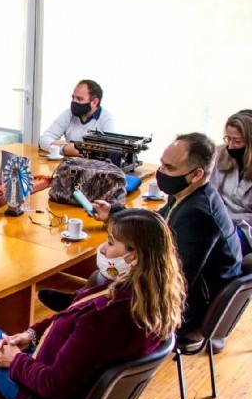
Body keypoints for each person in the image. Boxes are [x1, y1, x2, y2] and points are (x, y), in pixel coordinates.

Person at [0, 209, 185, 399]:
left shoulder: (106, 318)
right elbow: (72, 313)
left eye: (111, 243)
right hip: (76, 389)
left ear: (134, 257)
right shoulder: (149, 295)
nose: (103, 250)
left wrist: (16, 361)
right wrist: (31, 334)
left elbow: (54, 385)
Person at [41, 134, 242, 351]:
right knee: (106, 272)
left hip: (190, 310)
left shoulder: (199, 214)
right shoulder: (191, 192)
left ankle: (75, 323)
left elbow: (178, 278)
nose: (161, 172)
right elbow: (154, 226)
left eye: (169, 168)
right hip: (192, 295)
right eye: (162, 163)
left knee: (110, 272)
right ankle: (76, 307)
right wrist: (114, 212)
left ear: (197, 174)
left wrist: (126, 269)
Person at [209, 111, 252, 256]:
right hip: (215, 221)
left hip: (244, 229)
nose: (231, 146)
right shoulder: (219, 154)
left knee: (218, 251)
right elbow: (208, 192)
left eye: (237, 141)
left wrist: (226, 219)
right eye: (229, 139)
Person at [39, 79, 116, 156]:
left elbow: (110, 150)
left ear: (95, 102)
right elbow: (43, 140)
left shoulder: (106, 119)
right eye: (73, 97)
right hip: (68, 165)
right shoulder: (68, 114)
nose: (74, 101)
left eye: (79, 98)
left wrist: (78, 150)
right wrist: (63, 149)